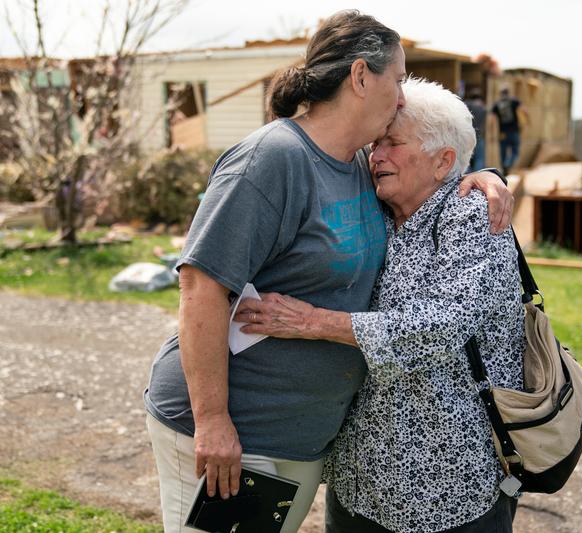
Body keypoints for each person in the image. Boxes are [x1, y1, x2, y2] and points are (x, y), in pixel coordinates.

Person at [143, 10, 513, 533]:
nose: (402, 95)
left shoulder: (357, 166)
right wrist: (212, 420)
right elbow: (200, 284)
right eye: (399, 78)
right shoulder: (273, 158)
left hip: (302, 441)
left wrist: (481, 176)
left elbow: (427, 175)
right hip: (240, 435)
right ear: (361, 77)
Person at [236, 78, 525, 532]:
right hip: (361, 482)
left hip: (444, 486)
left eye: (392, 143)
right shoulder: (377, 210)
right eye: (375, 144)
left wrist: (311, 322)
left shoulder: (471, 217)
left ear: (443, 161)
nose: (376, 156)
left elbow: (442, 325)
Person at [491, 86, 528, 175]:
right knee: (515, 151)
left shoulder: (497, 104)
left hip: (503, 133)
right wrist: (527, 121)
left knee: (503, 153)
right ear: (508, 93)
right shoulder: (514, 101)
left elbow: (492, 120)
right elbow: (525, 111)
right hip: (514, 131)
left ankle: (504, 169)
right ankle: (508, 164)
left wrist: (492, 133)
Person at [463, 87, 487, 172]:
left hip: (466, 136)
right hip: (479, 136)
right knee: (479, 159)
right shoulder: (483, 106)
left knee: (465, 159)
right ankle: (477, 178)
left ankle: (466, 177)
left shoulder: (466, 104)